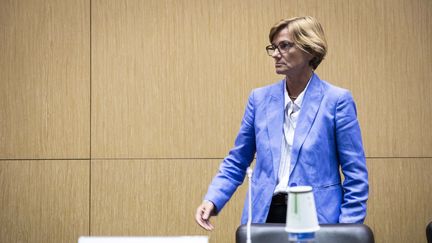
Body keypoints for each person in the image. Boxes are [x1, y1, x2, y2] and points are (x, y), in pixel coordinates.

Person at [195, 16, 368, 230]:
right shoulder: (259, 99)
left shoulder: (337, 101)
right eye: (273, 47)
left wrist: (347, 229)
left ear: (310, 49)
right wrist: (212, 199)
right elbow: (237, 160)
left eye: (284, 46)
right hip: (265, 216)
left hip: (318, 218)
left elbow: (356, 175)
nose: (276, 54)